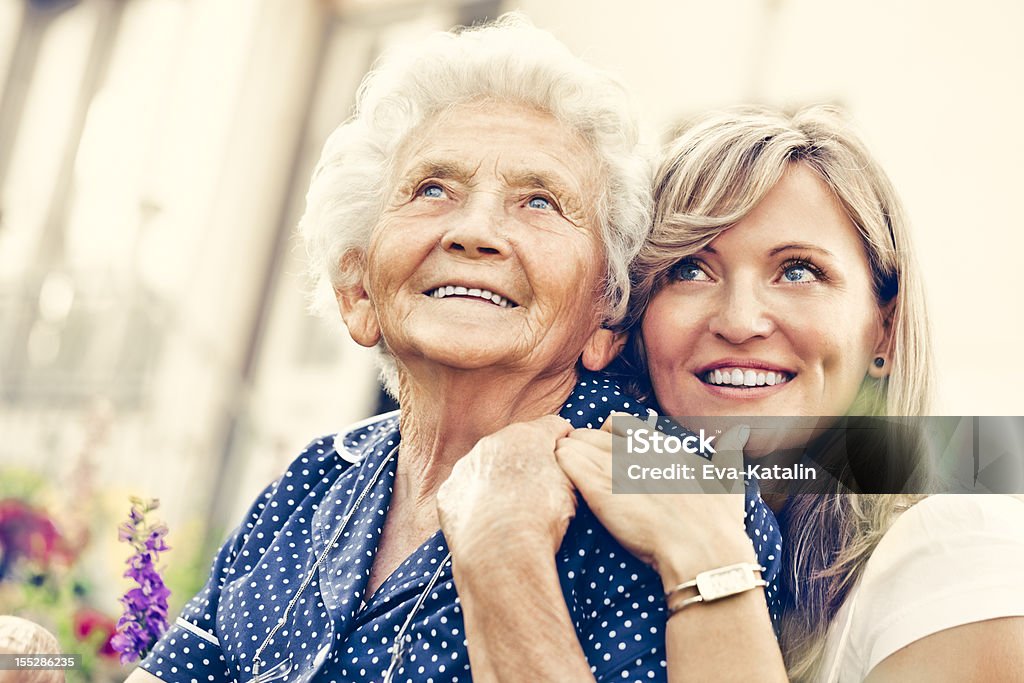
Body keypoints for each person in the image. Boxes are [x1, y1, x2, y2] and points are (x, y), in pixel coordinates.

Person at [125, 16, 783, 683]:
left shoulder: (674, 486)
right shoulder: (312, 480)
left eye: (540, 201)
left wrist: (505, 555)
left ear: (605, 313)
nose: (476, 231)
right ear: (358, 291)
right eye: (433, 189)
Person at [547, 106, 1024, 681]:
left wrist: (709, 562)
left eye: (798, 271)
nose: (740, 321)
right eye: (690, 270)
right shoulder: (608, 531)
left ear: (886, 331)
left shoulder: (955, 547)